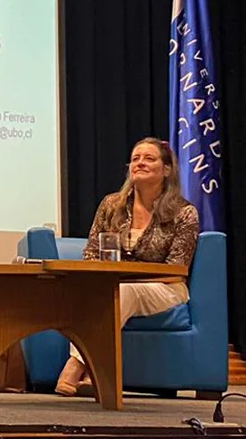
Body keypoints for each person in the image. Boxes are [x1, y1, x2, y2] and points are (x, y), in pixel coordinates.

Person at [54, 136, 200, 397]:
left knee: (122, 292)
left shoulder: (184, 213)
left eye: (149, 158)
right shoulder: (112, 205)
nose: (140, 163)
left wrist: (127, 277)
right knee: (96, 292)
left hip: (166, 288)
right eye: (135, 159)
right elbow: (92, 252)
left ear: (167, 170)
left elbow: (176, 268)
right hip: (114, 283)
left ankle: (76, 365)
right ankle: (95, 373)